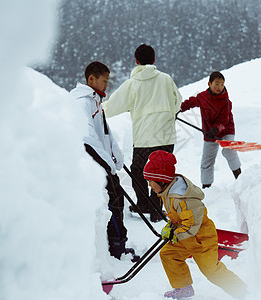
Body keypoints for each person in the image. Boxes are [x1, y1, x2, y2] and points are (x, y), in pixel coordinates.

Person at [143, 150, 247, 299]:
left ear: (161, 179)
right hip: (186, 237)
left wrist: (174, 233)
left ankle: (242, 291)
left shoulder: (183, 199)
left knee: (211, 271)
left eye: (150, 181)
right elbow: (179, 218)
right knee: (168, 254)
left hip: (201, 239)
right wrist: (171, 226)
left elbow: (192, 225)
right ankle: (183, 287)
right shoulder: (168, 192)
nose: (149, 185)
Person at [102, 44, 182, 222]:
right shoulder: (166, 79)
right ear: (154, 60)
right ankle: (157, 208)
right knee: (162, 172)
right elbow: (178, 103)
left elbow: (112, 106)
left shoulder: (133, 84)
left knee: (138, 170)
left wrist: (95, 109)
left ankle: (144, 204)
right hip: (166, 136)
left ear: (136, 61)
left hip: (144, 139)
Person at [70, 61, 138, 261]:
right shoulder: (82, 102)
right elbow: (88, 138)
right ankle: (115, 248)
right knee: (112, 203)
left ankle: (118, 244)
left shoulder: (95, 101)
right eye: (104, 81)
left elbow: (105, 134)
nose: (106, 84)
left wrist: (116, 155)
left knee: (117, 200)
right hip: (93, 162)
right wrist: (107, 163)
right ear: (91, 78)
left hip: (102, 161)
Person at [179, 71, 241, 189]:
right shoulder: (203, 97)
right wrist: (181, 108)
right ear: (209, 84)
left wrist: (216, 129)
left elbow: (223, 121)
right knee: (207, 161)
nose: (219, 87)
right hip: (209, 132)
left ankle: (240, 178)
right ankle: (207, 188)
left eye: (222, 84)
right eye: (217, 84)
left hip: (226, 130)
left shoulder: (226, 102)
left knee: (229, 151)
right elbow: (191, 102)